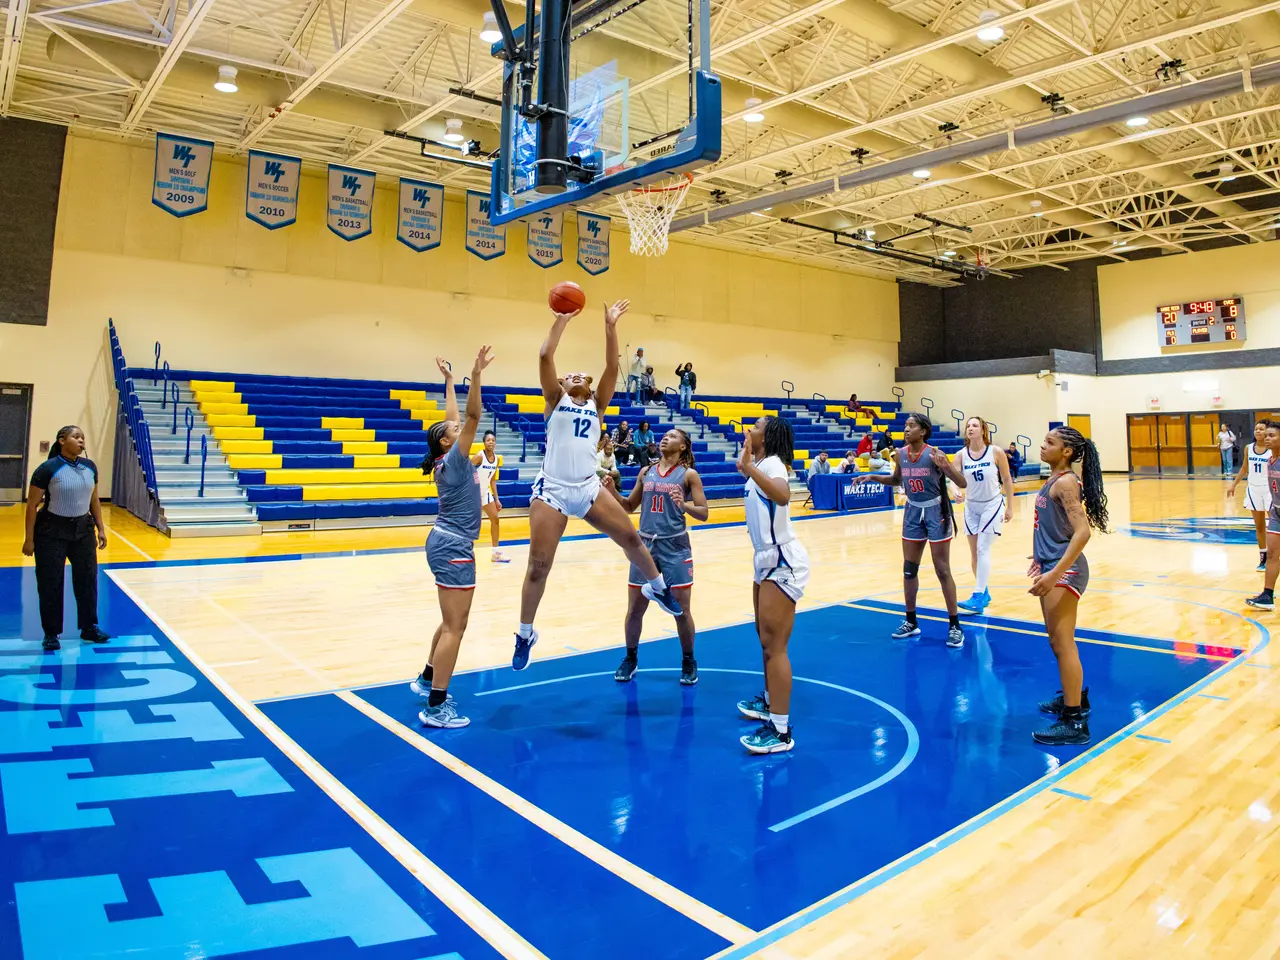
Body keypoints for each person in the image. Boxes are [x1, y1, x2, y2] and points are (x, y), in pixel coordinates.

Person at [512, 301, 683, 670]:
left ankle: (657, 587)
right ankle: (525, 634)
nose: (576, 376)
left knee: (631, 539)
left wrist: (610, 326)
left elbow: (611, 367)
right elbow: (545, 355)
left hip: (588, 486)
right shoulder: (554, 400)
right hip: (553, 490)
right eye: (569, 374)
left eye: (582, 375)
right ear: (561, 384)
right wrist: (561, 322)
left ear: (590, 386)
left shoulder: (597, 405)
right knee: (538, 566)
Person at [411, 347, 494, 728]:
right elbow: (472, 416)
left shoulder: (446, 457)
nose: (460, 429)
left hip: (443, 541)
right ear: (447, 443)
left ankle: (427, 678)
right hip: (454, 546)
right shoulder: (457, 460)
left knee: (449, 622)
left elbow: (454, 419)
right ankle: (435, 707)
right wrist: (475, 375)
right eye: (455, 432)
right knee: (455, 628)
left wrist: (448, 380)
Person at [851, 412, 967, 648]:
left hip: (936, 511)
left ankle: (955, 626)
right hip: (913, 511)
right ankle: (911, 621)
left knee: (942, 569)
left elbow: (962, 483)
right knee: (909, 570)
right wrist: (872, 476)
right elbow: (897, 480)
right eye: (905, 425)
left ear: (923, 431)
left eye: (911, 426)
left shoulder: (934, 454)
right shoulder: (901, 454)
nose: (906, 429)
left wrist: (946, 466)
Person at [608, 428, 708, 685]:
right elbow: (629, 506)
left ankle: (688, 660)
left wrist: (684, 505)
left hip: (676, 546)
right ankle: (631, 658)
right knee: (635, 609)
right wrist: (612, 492)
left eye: (673, 436)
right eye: (665, 435)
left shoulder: (689, 475)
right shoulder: (646, 471)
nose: (665, 437)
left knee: (681, 610)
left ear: (683, 446)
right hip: (644, 546)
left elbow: (704, 512)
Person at [1030, 426, 1109, 745]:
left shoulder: (1064, 483)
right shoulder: (1055, 479)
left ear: (1066, 452)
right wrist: (1040, 556)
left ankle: (1075, 722)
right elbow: (1053, 526)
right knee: (1057, 641)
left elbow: (1082, 532)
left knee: (1064, 643)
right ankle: (1073, 696)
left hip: (1066, 571)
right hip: (1053, 564)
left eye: (1050, 442)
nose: (1042, 445)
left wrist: (1053, 573)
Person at [735, 416, 808, 754]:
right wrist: (748, 467)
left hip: (781, 559)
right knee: (764, 640)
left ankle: (780, 731)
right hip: (764, 558)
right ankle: (769, 701)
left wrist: (750, 468)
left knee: (775, 646)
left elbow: (781, 495)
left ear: (767, 437)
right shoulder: (763, 465)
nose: (750, 429)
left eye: (756, 426)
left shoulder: (774, 464)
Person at [22, 425, 111, 651]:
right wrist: (29, 539)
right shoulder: (47, 469)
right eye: (76, 437)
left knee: (87, 579)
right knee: (50, 582)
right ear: (62, 440)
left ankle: (89, 627)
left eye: (83, 437)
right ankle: (51, 633)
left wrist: (100, 529)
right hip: (51, 532)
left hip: (83, 531)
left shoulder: (90, 467)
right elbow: (31, 505)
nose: (81, 441)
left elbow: (94, 500)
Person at [955, 416, 1014, 614]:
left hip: (992, 504)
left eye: (975, 425)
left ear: (983, 430)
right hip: (971, 506)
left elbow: (1007, 479)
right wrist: (954, 491)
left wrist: (1010, 507)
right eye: (968, 426)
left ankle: (978, 595)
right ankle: (984, 591)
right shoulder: (961, 455)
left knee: (982, 548)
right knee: (974, 553)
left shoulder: (995, 452)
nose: (970, 428)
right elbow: (952, 479)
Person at [1228, 420, 1273, 572]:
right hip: (1253, 490)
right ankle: (1263, 558)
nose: (1258, 431)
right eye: (1256, 429)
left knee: (1275, 526)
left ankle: (1275, 556)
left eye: (1262, 429)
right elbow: (1244, 468)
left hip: (1269, 490)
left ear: (1268, 432)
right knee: (1259, 527)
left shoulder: (1273, 449)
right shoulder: (1249, 448)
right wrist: (1234, 484)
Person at [1246, 421, 1280, 611]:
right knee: (1273, 554)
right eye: (1266, 435)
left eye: (1272, 435)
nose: (1267, 438)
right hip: (1277, 513)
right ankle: (1267, 596)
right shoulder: (1269, 461)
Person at [471, 429, 509, 564]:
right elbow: (466, 471)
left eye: (493, 440)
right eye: (488, 440)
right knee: (471, 523)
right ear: (484, 442)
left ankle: (495, 553)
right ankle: (464, 551)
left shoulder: (496, 459)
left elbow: (492, 480)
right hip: (473, 493)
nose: (491, 442)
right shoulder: (479, 456)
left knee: (495, 519)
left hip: (485, 493)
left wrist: (496, 499)